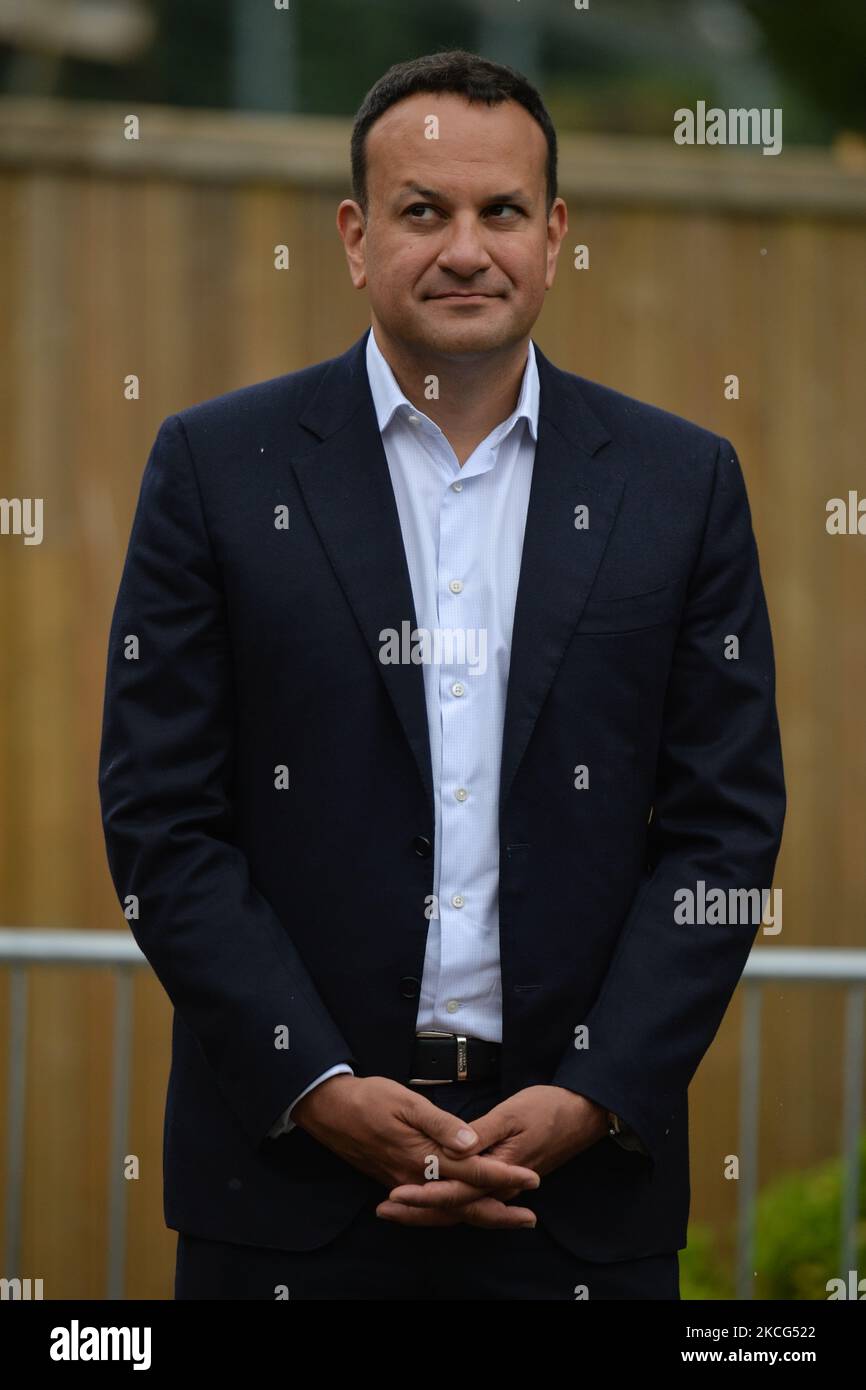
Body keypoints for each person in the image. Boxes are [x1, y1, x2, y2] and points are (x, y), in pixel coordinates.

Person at [98, 50, 785, 1301]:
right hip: (287, 1194)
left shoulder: (681, 487)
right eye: (423, 211)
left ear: (554, 233)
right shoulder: (216, 470)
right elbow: (162, 822)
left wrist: (593, 1092)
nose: (464, 247)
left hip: (579, 1203)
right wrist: (315, 1084)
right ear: (357, 239)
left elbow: (722, 837)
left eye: (500, 211)